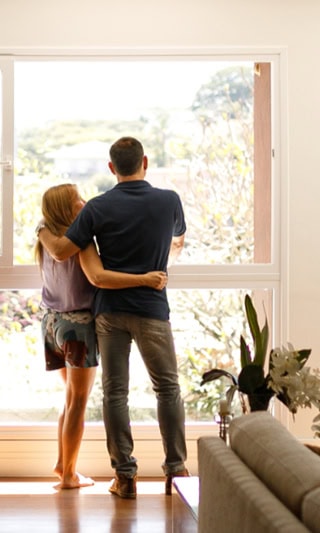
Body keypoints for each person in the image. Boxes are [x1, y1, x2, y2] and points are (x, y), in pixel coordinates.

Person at [39, 137, 188, 499]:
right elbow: (178, 241)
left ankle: (124, 477)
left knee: (114, 394)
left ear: (111, 168)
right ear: (145, 162)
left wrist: (41, 229)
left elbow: (63, 250)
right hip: (152, 309)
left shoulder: (97, 208)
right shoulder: (169, 200)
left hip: (109, 314)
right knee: (167, 389)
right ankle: (176, 472)